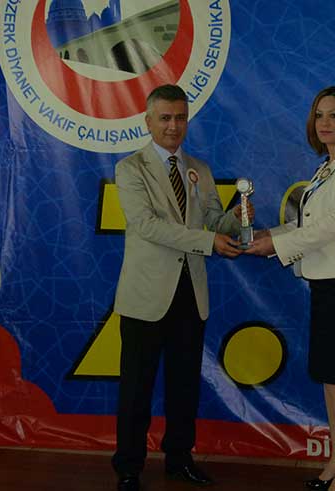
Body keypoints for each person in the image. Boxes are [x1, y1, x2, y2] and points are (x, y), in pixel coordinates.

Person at [112, 84, 252, 491]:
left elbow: (213, 221)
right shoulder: (130, 169)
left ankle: (179, 458)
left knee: (185, 384)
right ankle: (128, 468)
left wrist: (237, 216)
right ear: (148, 121)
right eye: (165, 118)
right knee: (136, 389)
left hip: (191, 293)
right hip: (145, 296)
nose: (173, 126)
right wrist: (209, 240)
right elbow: (147, 226)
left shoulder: (199, 169)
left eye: (180, 118)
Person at [246, 86, 335, 491]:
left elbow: (333, 226)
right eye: (319, 115)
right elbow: (309, 225)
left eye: (334, 115)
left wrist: (277, 246)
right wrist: (270, 235)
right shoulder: (328, 167)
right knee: (330, 378)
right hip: (327, 281)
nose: (325, 122)